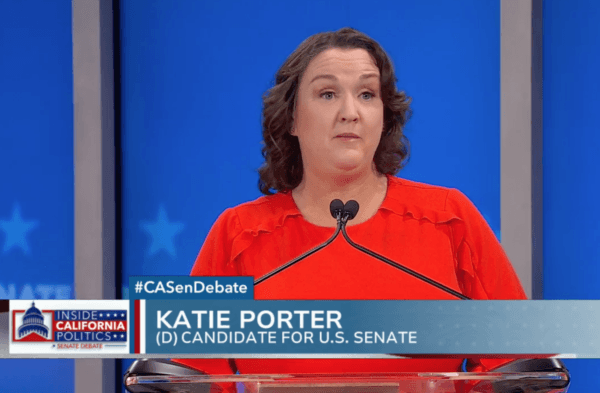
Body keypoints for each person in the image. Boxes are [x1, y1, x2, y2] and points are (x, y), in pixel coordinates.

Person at [175, 27, 527, 376]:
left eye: (367, 94)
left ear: (384, 115)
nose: (350, 112)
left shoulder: (449, 219)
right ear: (292, 118)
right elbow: (188, 376)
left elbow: (520, 367)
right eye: (327, 94)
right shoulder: (238, 235)